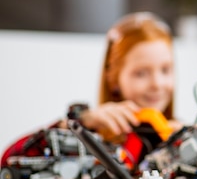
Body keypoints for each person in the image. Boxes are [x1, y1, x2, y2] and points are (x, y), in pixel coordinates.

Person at [1, 12, 181, 170]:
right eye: (141, 73)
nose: (157, 84)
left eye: (165, 70)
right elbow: (8, 162)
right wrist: (78, 124)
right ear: (113, 79)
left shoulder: (184, 138)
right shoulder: (93, 138)